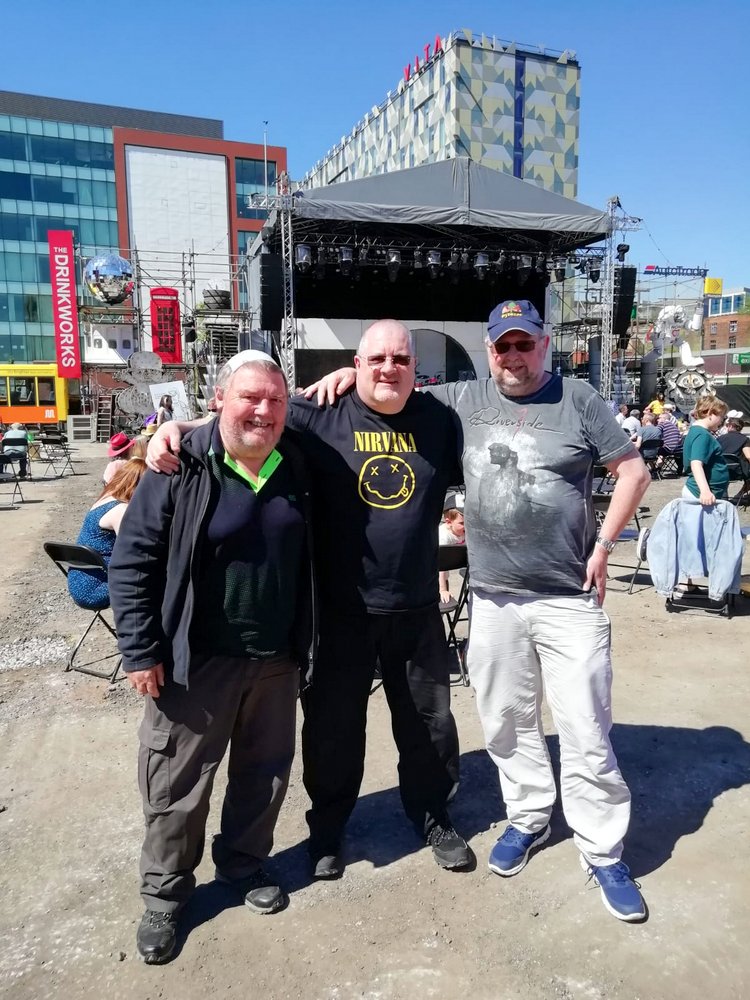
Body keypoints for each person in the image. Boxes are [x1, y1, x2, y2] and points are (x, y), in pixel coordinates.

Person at [311, 300, 652, 922]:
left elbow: (633, 470)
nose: (514, 356)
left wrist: (605, 545)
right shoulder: (461, 400)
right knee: (505, 721)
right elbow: (381, 391)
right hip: (490, 597)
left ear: (543, 345)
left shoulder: (577, 399)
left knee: (583, 727)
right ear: (489, 351)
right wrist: (345, 376)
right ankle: (526, 817)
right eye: (503, 346)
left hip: (565, 596)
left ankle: (602, 851)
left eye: (524, 344)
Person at [148, 330, 471, 882]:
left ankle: (433, 816)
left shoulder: (440, 420)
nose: (388, 368)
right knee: (332, 731)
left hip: (415, 608)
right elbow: (249, 419)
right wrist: (176, 430)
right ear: (356, 362)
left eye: (399, 358)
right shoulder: (318, 412)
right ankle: (328, 830)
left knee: (429, 725)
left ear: (415, 365)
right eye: (376, 358)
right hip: (339, 613)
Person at [108, 356, 316, 965]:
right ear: (219, 398)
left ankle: (243, 865)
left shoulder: (297, 461)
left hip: (275, 659)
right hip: (195, 664)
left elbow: (360, 394)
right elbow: (133, 560)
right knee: (177, 785)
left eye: (276, 400)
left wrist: (348, 374)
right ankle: (165, 894)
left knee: (265, 774)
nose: (264, 411)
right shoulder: (181, 465)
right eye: (250, 397)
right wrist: (140, 650)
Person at [68, 458, 147, 609]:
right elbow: (134, 550)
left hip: (80, 580)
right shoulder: (120, 510)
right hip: (97, 587)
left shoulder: (105, 499)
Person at [682, 395, 730, 505]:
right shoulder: (702, 434)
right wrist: (705, 491)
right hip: (701, 495)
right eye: (721, 416)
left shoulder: (697, 431)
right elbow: (696, 464)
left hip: (704, 493)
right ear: (710, 412)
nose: (722, 421)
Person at [438, 498, 465, 603]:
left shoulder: (464, 530)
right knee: (443, 599)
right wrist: (442, 589)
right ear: (449, 522)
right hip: (433, 577)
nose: (466, 526)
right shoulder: (443, 536)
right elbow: (440, 566)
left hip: (445, 574)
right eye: (462, 523)